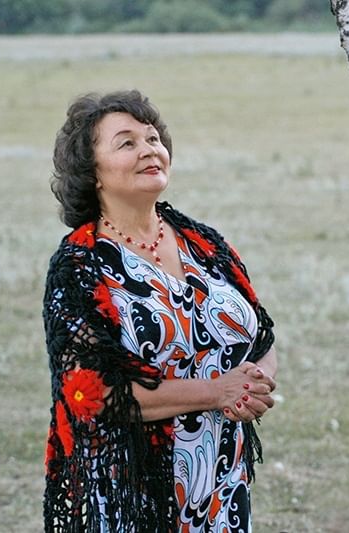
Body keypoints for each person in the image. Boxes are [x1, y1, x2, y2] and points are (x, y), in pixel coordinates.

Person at [42, 90, 277, 532]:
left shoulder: (202, 242)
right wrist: (217, 392)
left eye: (153, 139)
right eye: (126, 143)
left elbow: (259, 335)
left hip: (222, 485)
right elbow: (95, 396)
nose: (149, 150)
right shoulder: (80, 267)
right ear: (92, 173)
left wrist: (252, 386)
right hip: (137, 494)